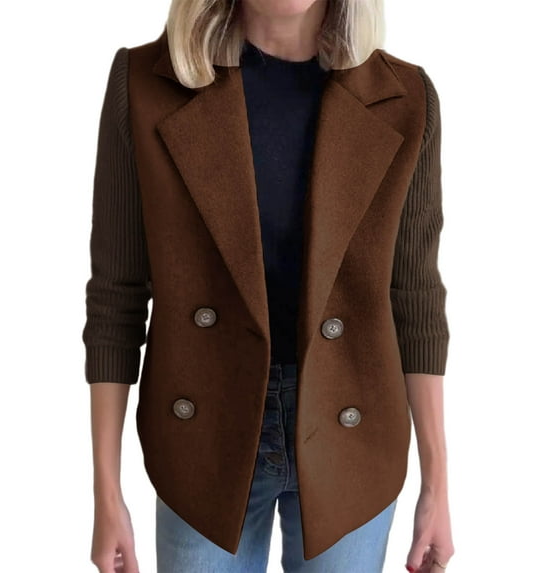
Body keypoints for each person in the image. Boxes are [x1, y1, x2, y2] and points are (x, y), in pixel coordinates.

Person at [82, 0, 455, 571]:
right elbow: (116, 295)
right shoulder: (146, 84)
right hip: (201, 442)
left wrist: (437, 485)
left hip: (354, 437)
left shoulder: (405, 98)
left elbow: (416, 301)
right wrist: (107, 494)